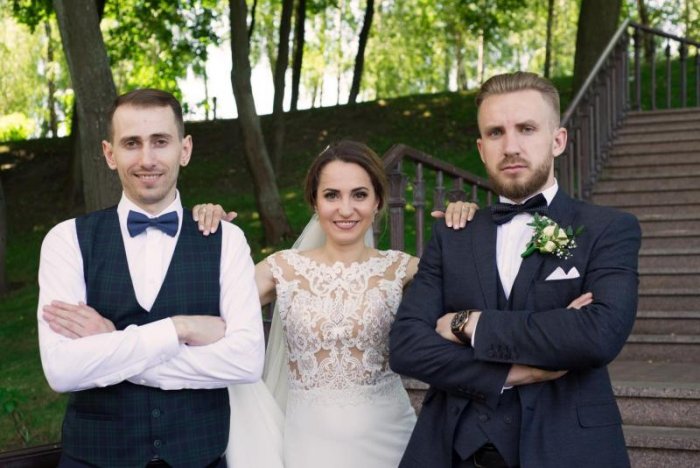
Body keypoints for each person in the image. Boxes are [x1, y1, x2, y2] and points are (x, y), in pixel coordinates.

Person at [389, 72, 641, 468]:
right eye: (495, 133)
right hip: (451, 452)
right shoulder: (453, 233)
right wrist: (511, 372)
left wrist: (468, 323)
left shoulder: (608, 229)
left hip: (568, 451)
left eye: (526, 128)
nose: (510, 147)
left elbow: (597, 335)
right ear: (481, 148)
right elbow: (406, 346)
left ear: (558, 140)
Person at [194, 140, 478, 468]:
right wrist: (207, 236)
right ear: (314, 202)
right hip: (308, 446)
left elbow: (471, 295)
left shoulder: (403, 270)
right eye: (331, 195)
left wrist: (468, 228)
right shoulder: (282, 269)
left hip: (391, 439)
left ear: (377, 201)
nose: (345, 209)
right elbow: (205, 308)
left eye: (359, 194)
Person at [37, 88, 265, 467]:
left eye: (160, 141)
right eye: (132, 143)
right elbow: (63, 370)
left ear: (184, 149)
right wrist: (179, 329)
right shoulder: (66, 240)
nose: (147, 159)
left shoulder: (227, 239)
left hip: (200, 458)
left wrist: (112, 343)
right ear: (110, 154)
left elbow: (246, 361)